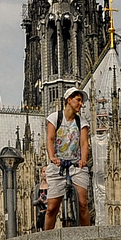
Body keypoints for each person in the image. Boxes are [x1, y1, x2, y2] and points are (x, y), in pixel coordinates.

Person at [45, 87, 93, 229]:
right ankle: (45, 239)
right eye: (78, 100)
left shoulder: (81, 122)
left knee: (83, 204)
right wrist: (52, 157)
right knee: (52, 208)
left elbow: (84, 143)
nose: (81, 104)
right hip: (57, 165)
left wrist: (83, 160)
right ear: (69, 100)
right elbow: (50, 139)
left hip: (76, 165)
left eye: (81, 101)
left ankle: (87, 236)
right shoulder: (54, 118)